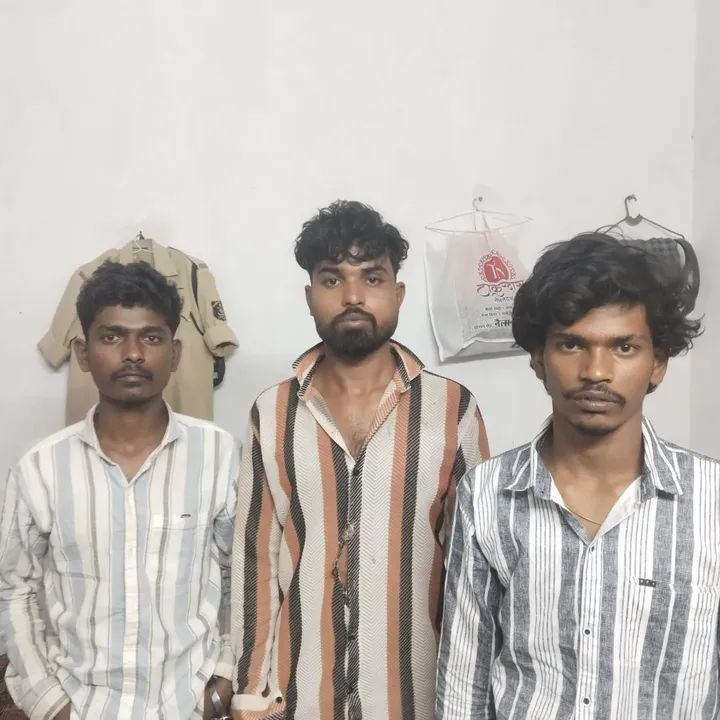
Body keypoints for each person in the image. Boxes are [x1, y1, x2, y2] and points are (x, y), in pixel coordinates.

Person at [435, 232, 715, 719]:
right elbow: (464, 681)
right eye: (571, 344)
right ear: (538, 359)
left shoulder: (712, 501)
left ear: (658, 363)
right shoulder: (487, 495)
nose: (596, 371)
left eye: (624, 347)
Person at [230, 200, 490, 720]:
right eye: (332, 279)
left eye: (372, 277)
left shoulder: (452, 408)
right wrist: (250, 693)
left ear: (398, 293)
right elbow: (255, 561)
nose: (352, 296)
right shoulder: (272, 412)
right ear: (309, 297)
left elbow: (476, 569)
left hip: (418, 701)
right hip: (302, 700)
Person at [0, 261, 238, 720]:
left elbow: (238, 577)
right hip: (81, 705)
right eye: (111, 337)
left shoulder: (219, 454)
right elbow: (14, 592)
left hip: (188, 705)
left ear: (175, 353)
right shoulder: (40, 469)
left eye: (151, 338)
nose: (132, 354)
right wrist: (50, 704)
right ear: (83, 353)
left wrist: (222, 680)